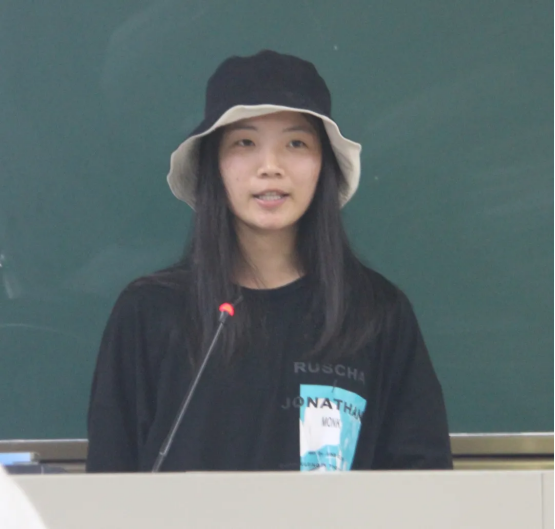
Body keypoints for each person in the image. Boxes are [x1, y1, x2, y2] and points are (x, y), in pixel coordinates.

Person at [87, 50, 453, 473]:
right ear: (213, 164)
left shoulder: (377, 314)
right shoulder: (148, 313)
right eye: (245, 143)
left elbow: (425, 483)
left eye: (296, 143)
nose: (270, 167)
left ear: (323, 164)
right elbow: (108, 482)